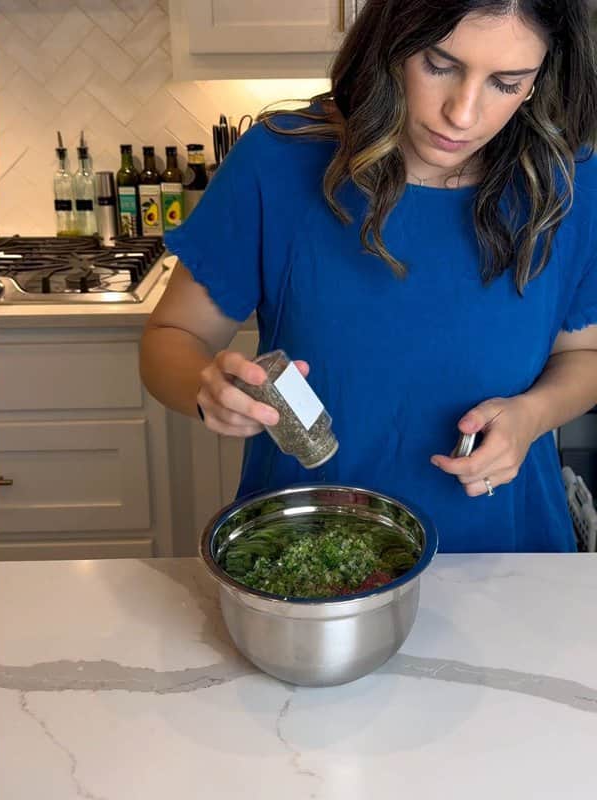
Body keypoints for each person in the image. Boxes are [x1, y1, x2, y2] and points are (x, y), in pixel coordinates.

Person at [140, 0, 597, 552]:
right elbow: (172, 337)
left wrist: (533, 416)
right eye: (439, 64)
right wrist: (205, 387)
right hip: (308, 548)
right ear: (392, 42)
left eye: (507, 83)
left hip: (505, 546)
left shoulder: (569, 183)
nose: (462, 113)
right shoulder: (278, 162)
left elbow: (584, 356)